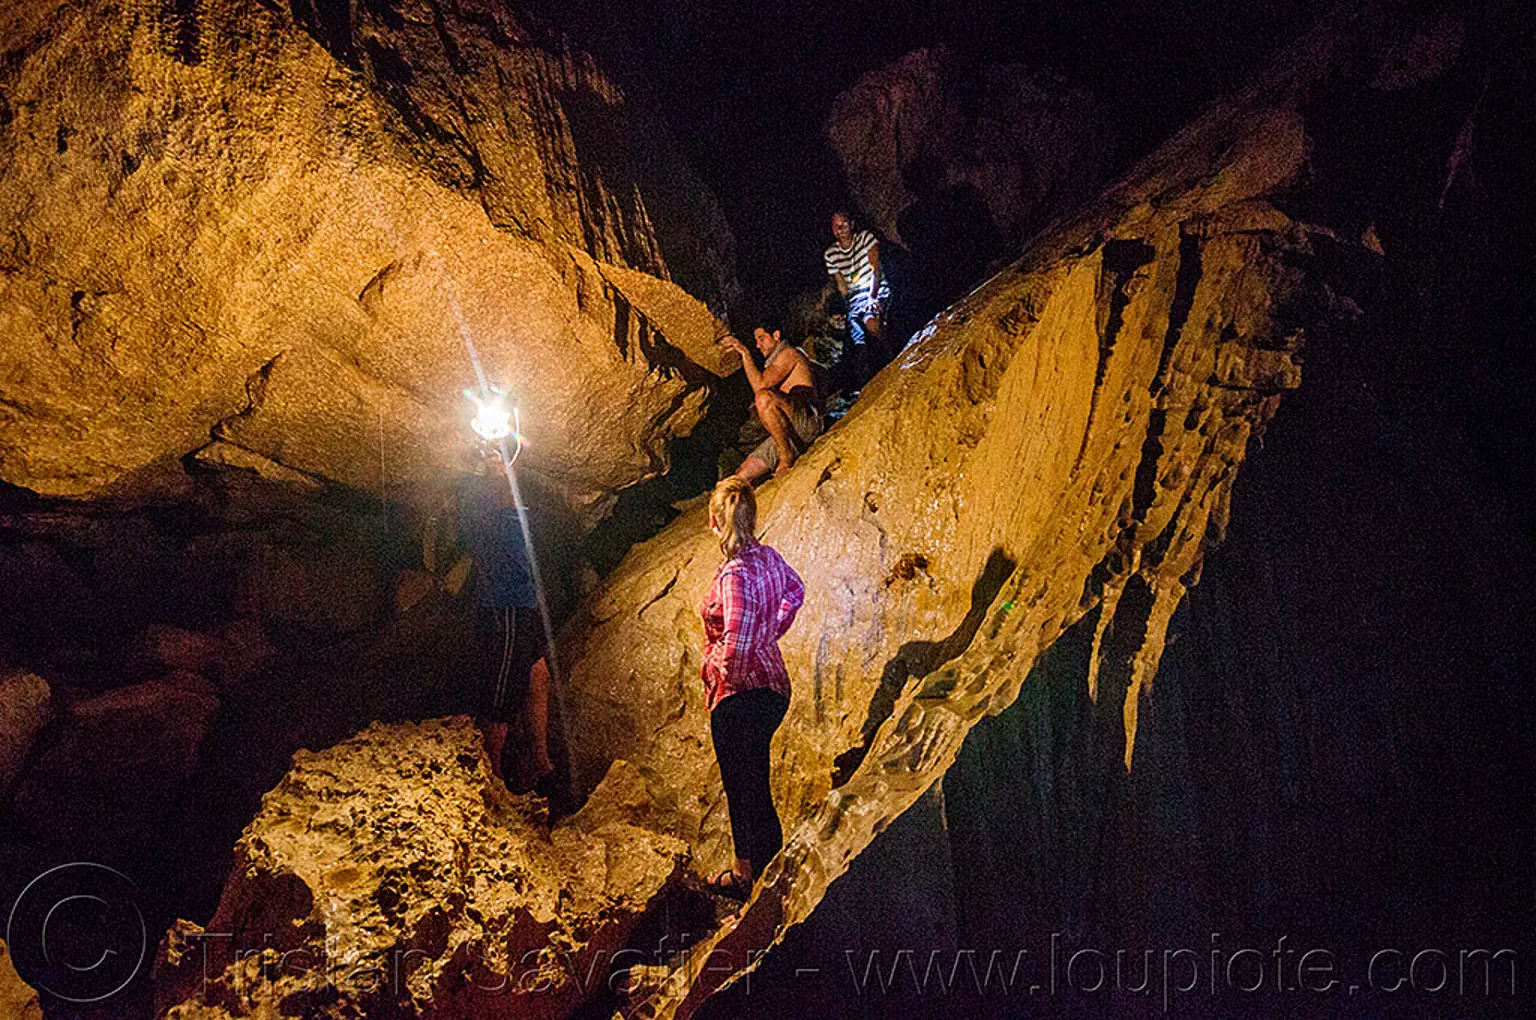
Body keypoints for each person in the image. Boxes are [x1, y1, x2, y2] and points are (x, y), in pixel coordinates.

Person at [699, 476, 805, 899]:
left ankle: (748, 877)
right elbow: (795, 592)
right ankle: (766, 871)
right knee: (754, 782)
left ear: (714, 522)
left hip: (741, 693)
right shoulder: (769, 557)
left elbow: (738, 636)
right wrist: (772, 632)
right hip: (772, 685)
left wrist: (724, 676)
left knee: (741, 786)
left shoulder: (734, 573)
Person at [457, 445, 553, 789]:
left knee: (537, 675)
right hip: (504, 605)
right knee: (502, 691)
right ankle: (493, 775)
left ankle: (539, 761)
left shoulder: (511, 501)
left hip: (522, 603)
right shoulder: (481, 500)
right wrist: (493, 473)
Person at [722, 317, 823, 481]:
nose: (758, 345)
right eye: (756, 341)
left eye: (761, 338)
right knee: (741, 475)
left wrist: (744, 353)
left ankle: (786, 457)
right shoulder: (774, 362)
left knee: (763, 398)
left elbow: (760, 386)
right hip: (790, 431)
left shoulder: (789, 353)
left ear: (776, 335)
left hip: (806, 422)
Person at [823, 210, 889, 381]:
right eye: (836, 226)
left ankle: (890, 355)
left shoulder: (865, 238)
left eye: (843, 223)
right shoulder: (831, 254)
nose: (840, 229)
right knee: (855, 334)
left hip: (874, 288)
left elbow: (876, 269)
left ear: (851, 224)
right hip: (855, 296)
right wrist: (847, 306)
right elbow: (841, 284)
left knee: (871, 323)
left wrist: (873, 296)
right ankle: (867, 376)